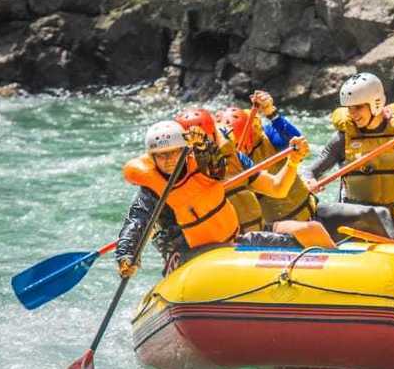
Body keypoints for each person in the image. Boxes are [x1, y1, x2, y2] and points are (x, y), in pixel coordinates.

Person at [116, 119, 313, 277]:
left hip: (230, 243)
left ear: (185, 151)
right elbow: (136, 222)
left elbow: (215, 165)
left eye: (173, 153)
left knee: (298, 243)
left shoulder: (205, 167)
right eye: (161, 155)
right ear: (152, 157)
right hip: (186, 255)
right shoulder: (151, 190)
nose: (168, 161)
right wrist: (126, 255)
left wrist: (203, 146)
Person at [304, 72, 394, 242]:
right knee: (321, 210)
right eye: (349, 108)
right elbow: (310, 171)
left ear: (376, 103)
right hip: (358, 225)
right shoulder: (343, 138)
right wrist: (310, 180)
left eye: (358, 107)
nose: (353, 114)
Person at [175, 107, 334, 249]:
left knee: (313, 229)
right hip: (228, 241)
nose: (199, 146)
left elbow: (277, 188)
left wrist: (292, 162)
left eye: (206, 138)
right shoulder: (181, 173)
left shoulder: (236, 158)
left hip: (257, 230)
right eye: (192, 142)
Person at [216, 90, 316, 227]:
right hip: (276, 229)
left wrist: (271, 113)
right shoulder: (223, 161)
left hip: (310, 212)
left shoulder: (267, 135)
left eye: (244, 145)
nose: (242, 150)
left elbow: (298, 143)